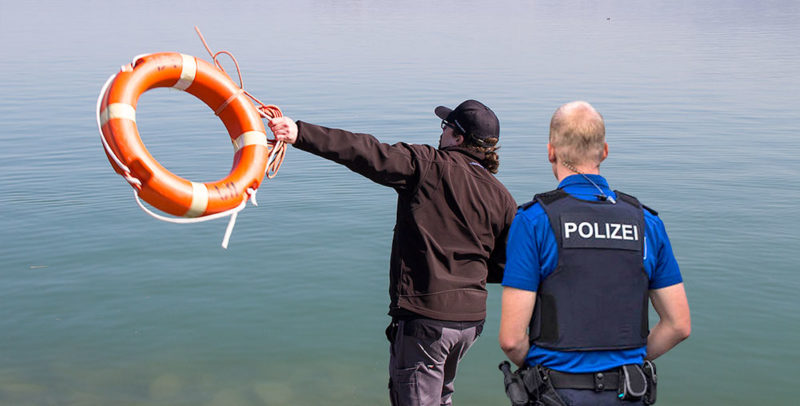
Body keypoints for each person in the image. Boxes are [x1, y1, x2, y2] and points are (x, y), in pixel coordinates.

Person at [268, 100, 517, 406]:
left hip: (428, 319)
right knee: (440, 397)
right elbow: (508, 265)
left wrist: (299, 133)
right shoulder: (501, 196)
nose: (441, 134)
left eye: (446, 127)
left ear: (458, 138)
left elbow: (368, 152)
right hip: (469, 323)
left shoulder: (428, 165)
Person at [498, 101, 691, 405]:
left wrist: (539, 371)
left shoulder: (533, 221)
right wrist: (629, 360)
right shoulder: (647, 223)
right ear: (604, 151)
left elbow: (511, 340)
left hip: (555, 394)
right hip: (629, 392)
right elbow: (678, 325)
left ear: (551, 151)